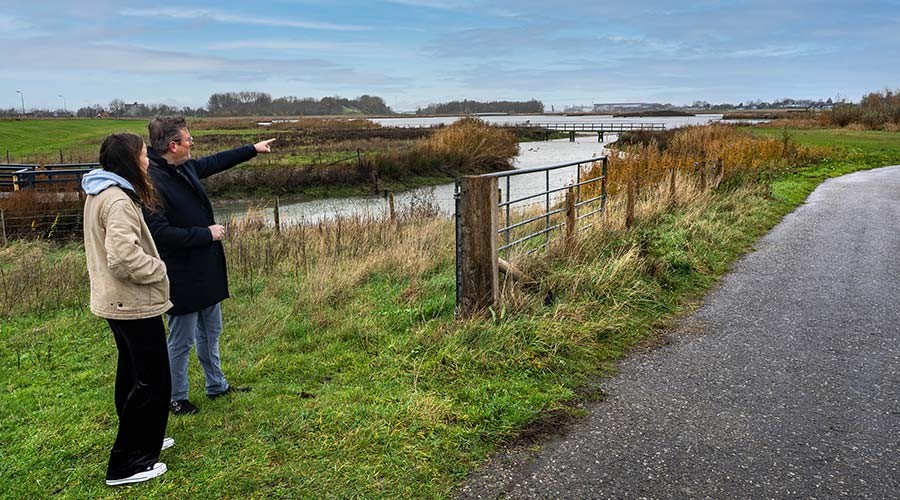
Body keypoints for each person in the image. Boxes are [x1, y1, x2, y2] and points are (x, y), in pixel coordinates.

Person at [143, 116, 275, 415]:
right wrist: (207, 234)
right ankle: (176, 397)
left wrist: (252, 149)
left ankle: (216, 385)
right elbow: (160, 234)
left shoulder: (183, 167)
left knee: (211, 331)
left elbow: (216, 162)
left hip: (206, 269)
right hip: (181, 275)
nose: (193, 144)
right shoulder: (153, 182)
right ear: (173, 145)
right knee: (181, 340)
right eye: (188, 140)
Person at [82, 133, 174, 486]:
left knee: (133, 372)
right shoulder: (118, 200)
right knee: (152, 379)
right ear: (129, 161)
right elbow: (122, 258)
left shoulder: (99, 191)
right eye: (143, 155)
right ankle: (128, 463)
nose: (149, 160)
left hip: (114, 300)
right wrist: (159, 268)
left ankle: (145, 437)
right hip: (133, 302)